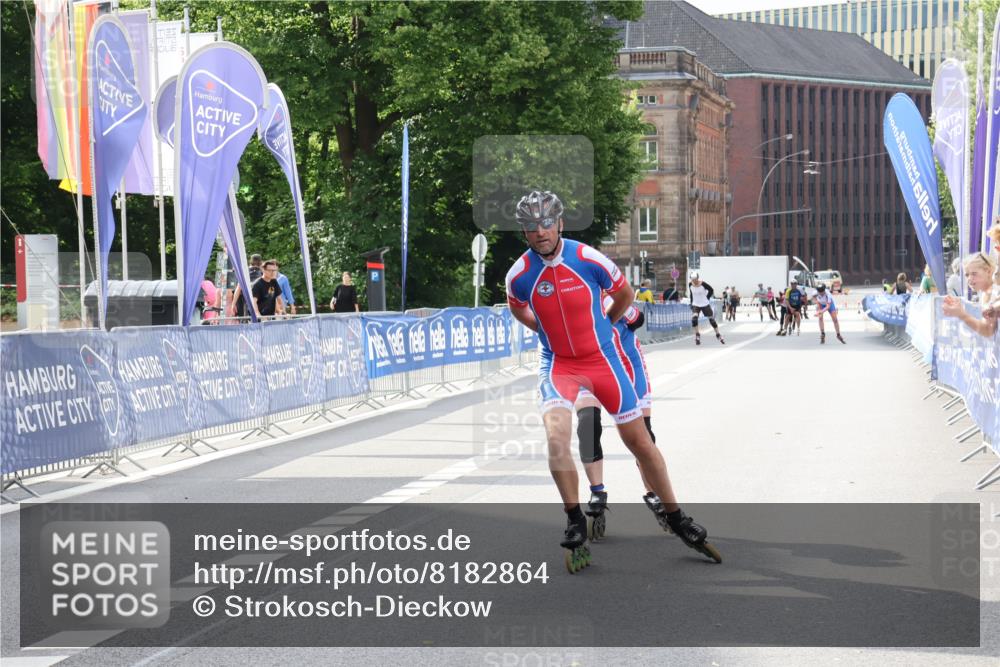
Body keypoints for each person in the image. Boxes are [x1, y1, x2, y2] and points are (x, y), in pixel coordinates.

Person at [505, 190, 719, 568]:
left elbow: (625, 294)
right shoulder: (520, 275)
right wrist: (546, 334)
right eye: (529, 227)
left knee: (640, 441)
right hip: (558, 364)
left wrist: (608, 323)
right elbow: (519, 309)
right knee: (557, 438)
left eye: (545, 224)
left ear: (559, 224)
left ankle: (676, 517)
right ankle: (574, 521)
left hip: (602, 359)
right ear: (523, 232)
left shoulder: (587, 258)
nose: (539, 232)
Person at [573, 294, 661, 539]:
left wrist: (613, 310)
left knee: (643, 436)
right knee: (587, 426)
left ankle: (654, 493)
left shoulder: (605, 295)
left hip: (626, 364)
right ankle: (597, 492)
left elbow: (638, 319)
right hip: (588, 368)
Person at [942, 252, 998, 338]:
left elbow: (988, 330)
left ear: (988, 271)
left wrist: (961, 314)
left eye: (974, 274)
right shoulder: (985, 293)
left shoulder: (994, 292)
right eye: (967, 275)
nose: (969, 279)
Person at [689, 271, 724, 345]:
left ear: (697, 278)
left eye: (695, 279)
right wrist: (691, 303)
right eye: (692, 279)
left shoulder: (703, 284)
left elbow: (711, 290)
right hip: (696, 304)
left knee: (711, 320)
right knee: (694, 319)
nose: (694, 281)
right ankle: (697, 335)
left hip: (705, 304)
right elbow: (691, 294)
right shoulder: (690, 285)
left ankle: (718, 334)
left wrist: (707, 297)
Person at [230, 255, 264, 319]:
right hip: (261, 297)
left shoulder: (245, 270)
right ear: (260, 262)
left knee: (247, 318)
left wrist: (233, 304)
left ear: (251, 261)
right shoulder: (263, 271)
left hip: (247, 297)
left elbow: (238, 288)